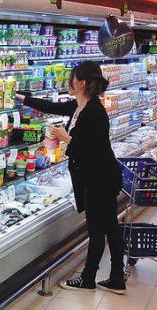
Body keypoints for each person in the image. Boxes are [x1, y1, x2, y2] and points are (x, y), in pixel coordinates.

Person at [15, 61, 125, 294]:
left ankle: (88, 279)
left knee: (98, 230)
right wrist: (21, 98)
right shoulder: (80, 105)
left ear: (81, 83)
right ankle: (116, 278)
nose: (68, 83)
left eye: (71, 79)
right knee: (110, 227)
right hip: (96, 177)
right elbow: (52, 106)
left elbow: (90, 150)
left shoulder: (94, 111)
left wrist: (67, 139)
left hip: (100, 178)